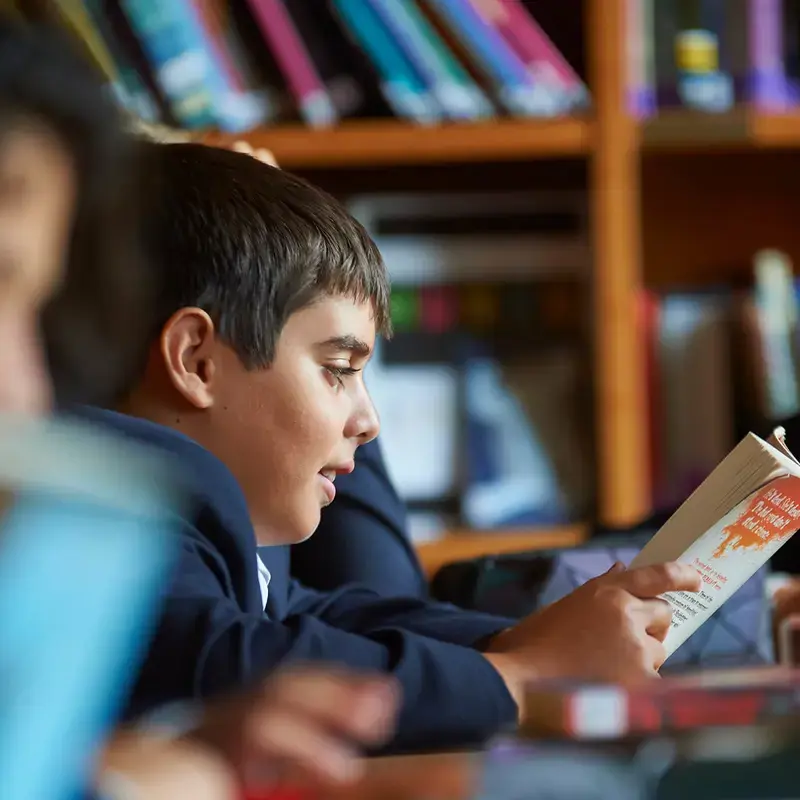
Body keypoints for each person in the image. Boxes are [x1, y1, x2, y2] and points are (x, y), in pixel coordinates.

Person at [76, 140, 701, 753]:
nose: (369, 422)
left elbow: (322, 622)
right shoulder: (104, 504)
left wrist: (518, 643)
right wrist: (520, 678)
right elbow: (228, 661)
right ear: (198, 360)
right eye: (339, 368)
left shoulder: (203, 525)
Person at [0, 18, 398, 800]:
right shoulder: (133, 500)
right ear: (195, 358)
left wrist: (153, 757)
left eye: (32, 308)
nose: (25, 391)